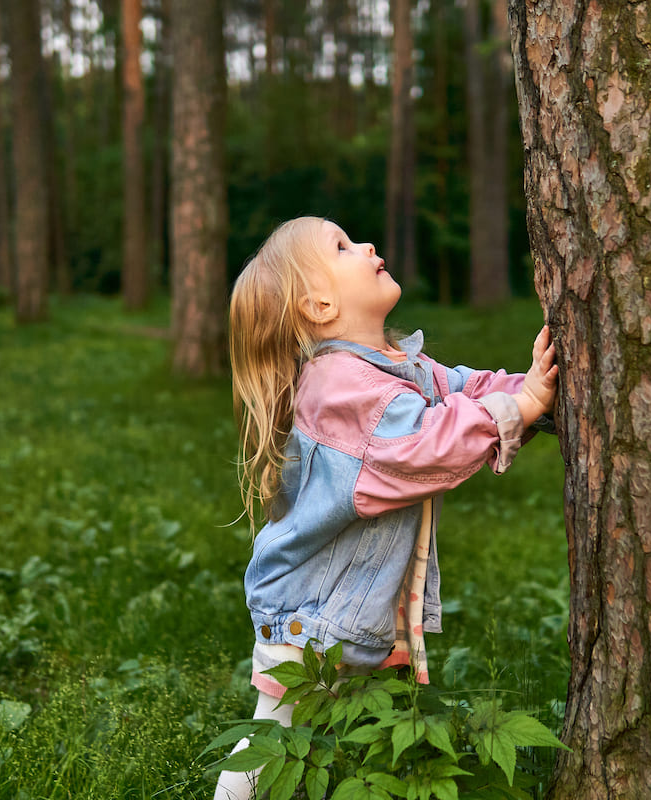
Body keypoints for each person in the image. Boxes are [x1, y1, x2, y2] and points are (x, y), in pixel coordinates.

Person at [214, 216, 558, 800]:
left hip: (354, 608)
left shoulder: (394, 365)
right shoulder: (339, 387)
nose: (368, 245)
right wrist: (519, 409)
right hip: (312, 618)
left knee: (347, 740)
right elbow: (423, 444)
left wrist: (535, 390)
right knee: (277, 740)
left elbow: (463, 390)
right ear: (319, 305)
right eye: (343, 247)